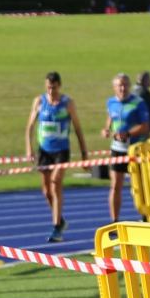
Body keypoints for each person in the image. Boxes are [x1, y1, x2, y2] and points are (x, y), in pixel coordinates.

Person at [26, 72, 88, 241]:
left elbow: (78, 129)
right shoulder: (39, 102)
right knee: (46, 191)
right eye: (48, 87)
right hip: (44, 151)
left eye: (53, 88)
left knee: (55, 184)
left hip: (61, 151)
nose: (51, 91)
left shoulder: (67, 103)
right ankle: (60, 220)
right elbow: (30, 126)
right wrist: (29, 149)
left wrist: (84, 154)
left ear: (59, 86)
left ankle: (56, 228)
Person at [102, 72, 150, 221]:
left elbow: (145, 126)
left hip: (135, 149)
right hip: (117, 148)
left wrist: (128, 134)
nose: (122, 88)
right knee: (115, 185)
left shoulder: (138, 103)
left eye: (125, 85)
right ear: (114, 87)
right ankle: (114, 221)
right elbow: (110, 118)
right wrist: (106, 130)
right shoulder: (111, 102)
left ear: (129, 86)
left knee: (140, 185)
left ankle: (145, 217)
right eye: (119, 86)